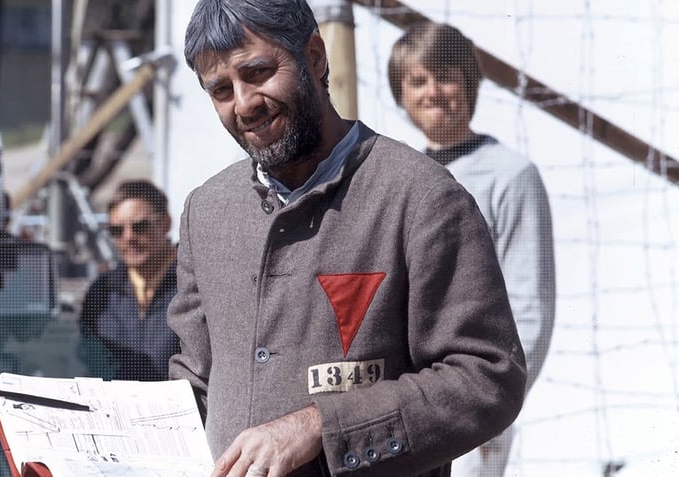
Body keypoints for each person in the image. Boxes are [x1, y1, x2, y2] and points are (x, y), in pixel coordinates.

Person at [167, 1, 528, 476]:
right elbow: (193, 381)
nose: (244, 103)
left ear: (314, 57)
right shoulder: (207, 211)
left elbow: (487, 377)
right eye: (220, 89)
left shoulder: (421, 198)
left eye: (257, 72)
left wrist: (322, 427)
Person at [388, 22, 556, 477]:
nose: (434, 92)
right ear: (400, 93)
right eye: (418, 81)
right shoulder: (397, 177)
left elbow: (530, 309)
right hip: (399, 407)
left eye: (446, 77)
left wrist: (492, 405)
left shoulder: (511, 175)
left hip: (471, 405)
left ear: (469, 83)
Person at [79, 180, 179, 381]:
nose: (128, 237)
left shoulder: (195, 287)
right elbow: (86, 361)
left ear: (165, 223)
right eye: (116, 230)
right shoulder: (100, 293)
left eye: (139, 227)